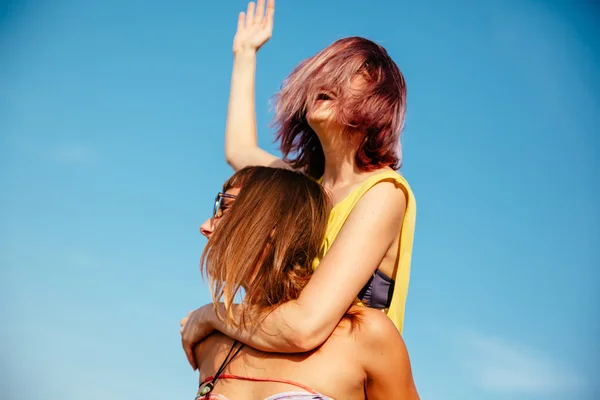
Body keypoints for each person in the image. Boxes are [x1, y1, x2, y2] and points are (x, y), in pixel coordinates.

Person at [181, 0, 417, 368]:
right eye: (321, 74)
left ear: (376, 102)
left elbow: (305, 326)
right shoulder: (306, 186)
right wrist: (245, 53)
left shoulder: (384, 193)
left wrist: (212, 315)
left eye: (342, 76)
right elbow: (239, 150)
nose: (324, 83)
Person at [195, 166, 419, 400]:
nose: (206, 226)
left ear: (274, 221)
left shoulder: (365, 335)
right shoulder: (211, 342)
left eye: (225, 207)